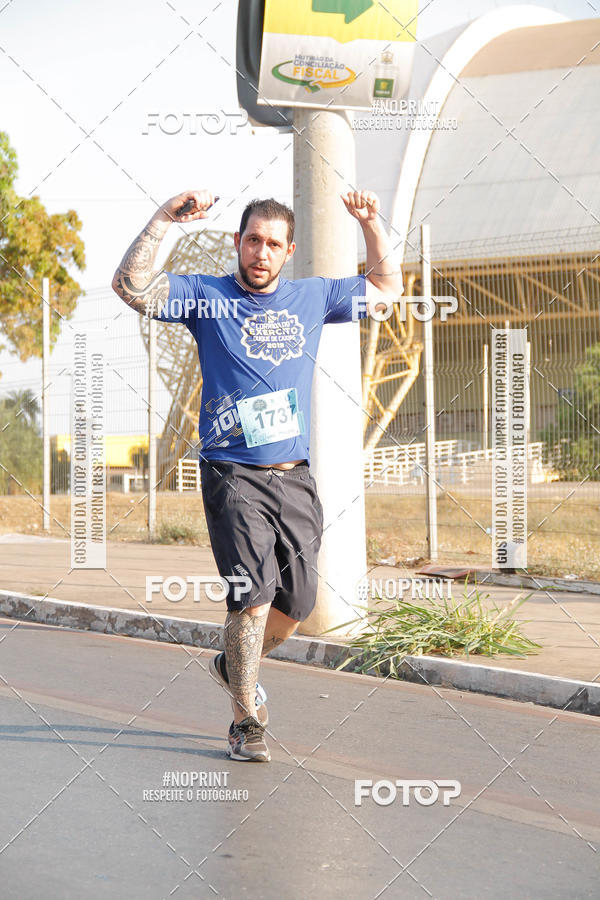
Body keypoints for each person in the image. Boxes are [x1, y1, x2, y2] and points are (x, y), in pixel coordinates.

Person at [112, 189, 403, 762]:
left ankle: (231, 665)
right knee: (251, 597)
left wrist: (371, 226)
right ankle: (245, 722)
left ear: (288, 250)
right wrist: (162, 220)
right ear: (238, 244)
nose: (261, 252)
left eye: (273, 244)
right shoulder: (207, 295)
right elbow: (132, 287)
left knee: (296, 602)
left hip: (293, 476)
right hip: (232, 472)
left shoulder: (312, 297)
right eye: (252, 241)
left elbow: (388, 291)